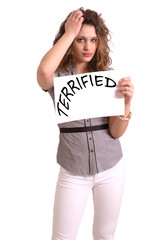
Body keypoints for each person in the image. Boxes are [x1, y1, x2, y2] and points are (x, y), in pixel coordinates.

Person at [37, 7, 134, 240]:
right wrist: (69, 33)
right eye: (81, 39)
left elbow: (116, 132)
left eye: (92, 40)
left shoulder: (107, 76)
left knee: (105, 235)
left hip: (111, 168)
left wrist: (127, 105)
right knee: (62, 237)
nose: (88, 46)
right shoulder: (59, 78)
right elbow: (42, 73)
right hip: (73, 170)